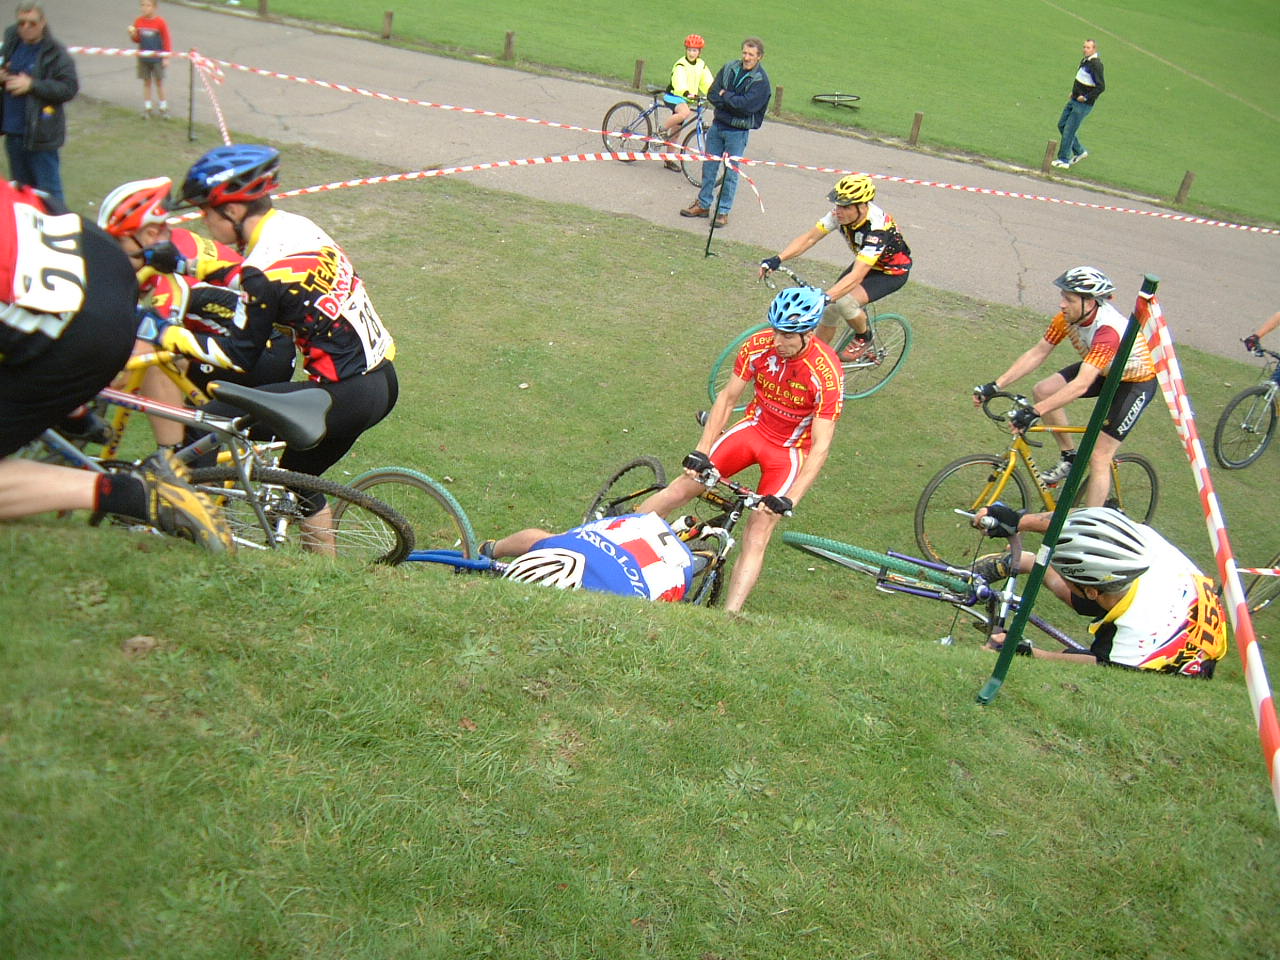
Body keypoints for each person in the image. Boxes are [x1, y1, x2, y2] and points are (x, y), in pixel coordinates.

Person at [141, 143, 398, 542]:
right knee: (298, 483)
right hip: (381, 384)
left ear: (233, 211)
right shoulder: (297, 227)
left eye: (207, 212)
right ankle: (326, 572)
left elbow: (239, 355)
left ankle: (197, 534)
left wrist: (165, 334)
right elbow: (271, 285)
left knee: (201, 424)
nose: (205, 221)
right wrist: (186, 263)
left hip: (341, 396)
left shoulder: (262, 270)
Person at [0, 179, 231, 551]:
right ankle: (79, 420)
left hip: (85, 329)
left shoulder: (173, 256)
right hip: (93, 255)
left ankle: (134, 493)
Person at [633, 286, 842, 613]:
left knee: (758, 531)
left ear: (809, 333)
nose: (778, 341)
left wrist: (790, 499)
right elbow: (728, 398)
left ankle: (729, 617)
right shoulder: (759, 346)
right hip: (752, 430)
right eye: (775, 331)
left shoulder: (826, 373)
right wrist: (702, 451)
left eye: (788, 335)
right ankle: (616, 540)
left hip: (788, 452)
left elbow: (821, 446)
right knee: (683, 487)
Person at [96, 176, 297, 449]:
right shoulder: (168, 247)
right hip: (259, 343)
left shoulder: (170, 266)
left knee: (156, 363)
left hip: (262, 353)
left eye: (119, 242)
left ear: (150, 234)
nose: (116, 253)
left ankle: (172, 458)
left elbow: (149, 344)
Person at [973, 266, 1156, 508]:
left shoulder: (1108, 331)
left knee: (1099, 457)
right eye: (1063, 297)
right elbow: (1038, 353)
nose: (1062, 304)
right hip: (1103, 369)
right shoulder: (1067, 318)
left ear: (1090, 302)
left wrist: (1035, 411)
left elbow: (1081, 385)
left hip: (1135, 383)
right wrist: (995, 385)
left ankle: (1093, 523)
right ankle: (1069, 457)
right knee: (1044, 390)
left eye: (1069, 299)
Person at [971, 505, 1227, 677]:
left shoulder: (1134, 639)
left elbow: (1096, 664)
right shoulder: (1142, 540)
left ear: (1093, 592)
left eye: (1066, 575)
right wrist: (1018, 521)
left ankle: (1032, 563)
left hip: (1181, 656)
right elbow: (1086, 522)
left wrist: (1025, 652)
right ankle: (1028, 561)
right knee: (1082, 598)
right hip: (1170, 596)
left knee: (1077, 641)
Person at [758, 174, 912, 362]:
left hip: (890, 272)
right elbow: (810, 238)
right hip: (866, 261)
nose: (838, 211)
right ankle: (811, 359)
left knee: (844, 302)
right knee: (829, 309)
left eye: (845, 207)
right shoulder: (839, 215)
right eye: (838, 205)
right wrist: (778, 259)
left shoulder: (877, 230)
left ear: (863, 206)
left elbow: (857, 276)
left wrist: (826, 297)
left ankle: (865, 337)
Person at [480, 511, 697, 602]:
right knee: (551, 539)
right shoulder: (557, 545)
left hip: (678, 564)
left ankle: (490, 550)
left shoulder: (616, 601)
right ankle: (491, 549)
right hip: (636, 527)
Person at [678, 36, 770, 229]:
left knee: (730, 173)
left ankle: (723, 211)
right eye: (744, 53)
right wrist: (730, 101)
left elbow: (745, 107)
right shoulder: (729, 68)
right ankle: (703, 205)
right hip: (718, 126)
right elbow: (713, 92)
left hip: (737, 132)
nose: (746, 57)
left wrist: (726, 95)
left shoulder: (761, 82)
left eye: (751, 54)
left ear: (759, 57)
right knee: (709, 168)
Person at [0, 2, 77, 205]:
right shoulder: (12, 41)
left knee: (50, 196)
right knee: (21, 194)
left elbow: (69, 88)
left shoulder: (56, 52)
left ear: (43, 22)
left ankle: (61, 224)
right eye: (21, 23)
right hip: (13, 133)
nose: (26, 28)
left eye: (32, 23)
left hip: (41, 135)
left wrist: (32, 85)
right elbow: (4, 64)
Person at [657, 33, 714, 171]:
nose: (691, 53)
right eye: (689, 50)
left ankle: (668, 160)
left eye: (694, 50)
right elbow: (679, 83)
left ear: (699, 52)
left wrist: (714, 94)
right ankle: (661, 130)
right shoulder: (681, 64)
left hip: (687, 99)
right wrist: (686, 93)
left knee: (676, 132)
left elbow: (708, 82)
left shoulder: (701, 65)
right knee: (684, 113)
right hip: (674, 96)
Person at [1052, 38, 1104, 170]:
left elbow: (1101, 87)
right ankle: (1080, 151)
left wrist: (1086, 97)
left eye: (1088, 47)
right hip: (1074, 99)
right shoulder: (1086, 61)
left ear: (1094, 49)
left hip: (1082, 104)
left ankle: (1064, 159)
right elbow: (1082, 79)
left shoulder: (1096, 65)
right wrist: (1074, 92)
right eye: (1084, 47)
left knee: (1069, 130)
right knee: (1062, 125)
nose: (1085, 50)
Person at [128, 0, 172, 120]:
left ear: (154, 7)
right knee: (146, 82)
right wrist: (133, 35)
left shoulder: (160, 22)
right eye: (142, 5)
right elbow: (137, 39)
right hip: (144, 58)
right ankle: (148, 108)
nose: (144, 8)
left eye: (148, 5)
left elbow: (166, 40)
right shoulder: (138, 21)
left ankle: (163, 107)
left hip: (157, 58)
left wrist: (166, 57)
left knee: (159, 82)